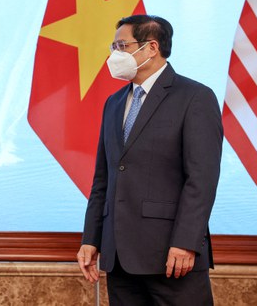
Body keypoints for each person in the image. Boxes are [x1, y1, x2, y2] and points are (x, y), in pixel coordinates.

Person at [77, 15, 222, 305]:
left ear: (151, 47)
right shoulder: (114, 103)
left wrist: (186, 242)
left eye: (122, 46)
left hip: (171, 255)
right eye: (114, 47)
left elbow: (201, 180)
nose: (115, 54)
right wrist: (91, 238)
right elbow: (103, 178)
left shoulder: (195, 97)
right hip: (119, 256)